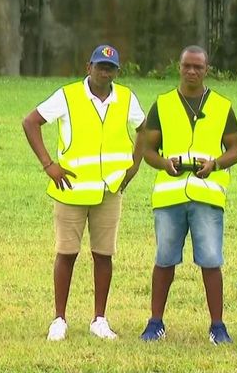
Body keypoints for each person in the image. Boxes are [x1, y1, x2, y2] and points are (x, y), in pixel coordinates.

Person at [22, 44, 146, 341]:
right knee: (66, 254)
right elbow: (31, 122)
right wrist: (48, 164)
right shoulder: (68, 96)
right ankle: (59, 319)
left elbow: (145, 129)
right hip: (72, 188)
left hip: (109, 190)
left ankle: (99, 319)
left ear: (118, 71)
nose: (105, 72)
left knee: (104, 255)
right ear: (87, 66)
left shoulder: (126, 98)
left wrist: (133, 166)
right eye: (100, 65)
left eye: (110, 67)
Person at [139, 45, 237, 344]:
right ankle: (155, 322)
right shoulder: (163, 103)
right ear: (179, 67)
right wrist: (163, 163)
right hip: (170, 196)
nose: (192, 72)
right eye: (187, 66)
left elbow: (235, 149)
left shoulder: (222, 105)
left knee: (211, 260)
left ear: (206, 69)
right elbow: (148, 149)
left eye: (198, 67)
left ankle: (218, 326)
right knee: (164, 259)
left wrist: (216, 164)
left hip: (207, 195)